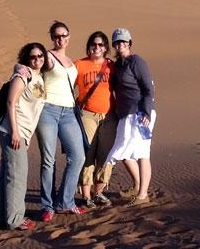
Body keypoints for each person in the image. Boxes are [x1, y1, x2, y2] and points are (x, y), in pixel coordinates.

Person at [35, 21, 86, 222]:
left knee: (78, 156)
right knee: (49, 160)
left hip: (68, 113)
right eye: (56, 36)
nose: (60, 39)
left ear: (69, 36)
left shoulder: (71, 62)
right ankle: (47, 206)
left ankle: (65, 202)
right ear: (52, 38)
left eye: (64, 35)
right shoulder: (47, 56)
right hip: (48, 111)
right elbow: (35, 74)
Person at [0, 42, 48, 231]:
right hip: (12, 131)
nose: (38, 59)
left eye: (41, 55)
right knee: (17, 176)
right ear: (27, 58)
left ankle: (2, 217)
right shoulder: (22, 74)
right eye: (33, 56)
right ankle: (15, 219)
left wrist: (27, 134)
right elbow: (11, 102)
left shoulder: (38, 77)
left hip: (21, 132)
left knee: (7, 175)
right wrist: (16, 132)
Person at [106, 28, 156, 207]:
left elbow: (148, 89)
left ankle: (143, 195)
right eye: (117, 42)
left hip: (140, 113)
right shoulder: (118, 65)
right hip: (125, 115)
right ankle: (137, 185)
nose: (120, 45)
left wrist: (147, 113)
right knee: (122, 151)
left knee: (142, 153)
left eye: (123, 42)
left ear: (129, 43)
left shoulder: (137, 61)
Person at [75, 31, 117, 209]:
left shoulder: (112, 66)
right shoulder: (79, 65)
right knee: (87, 154)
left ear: (106, 47)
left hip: (109, 116)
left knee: (106, 155)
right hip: (87, 114)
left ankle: (98, 191)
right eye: (94, 44)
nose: (97, 48)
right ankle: (86, 195)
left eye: (101, 45)